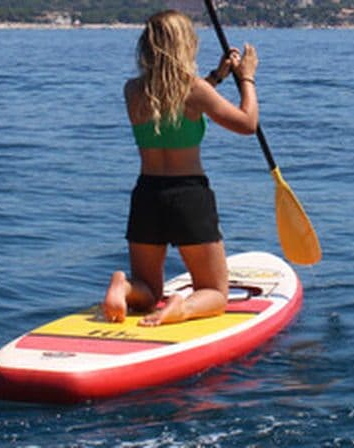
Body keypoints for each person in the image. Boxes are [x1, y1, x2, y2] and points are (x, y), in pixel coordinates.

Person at [102, 10, 259, 327]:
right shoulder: (194, 91)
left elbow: (172, 99)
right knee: (214, 292)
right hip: (188, 195)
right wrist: (247, 79)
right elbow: (247, 123)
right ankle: (181, 307)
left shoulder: (132, 90)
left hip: (146, 195)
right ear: (185, 46)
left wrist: (216, 77)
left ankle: (125, 285)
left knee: (148, 290)